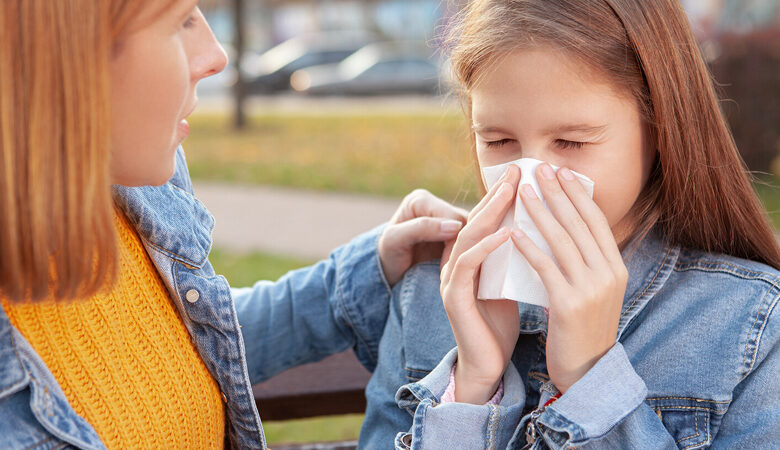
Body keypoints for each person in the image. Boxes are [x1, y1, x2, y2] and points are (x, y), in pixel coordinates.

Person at [0, 0, 467, 448]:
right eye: (181, 19)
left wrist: (368, 269)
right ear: (63, 54)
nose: (215, 55)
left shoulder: (124, 189)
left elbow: (178, 344)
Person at [358, 0, 780, 448]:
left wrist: (589, 382)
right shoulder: (424, 297)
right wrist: (472, 389)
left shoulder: (753, 328)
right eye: (498, 140)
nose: (530, 178)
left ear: (660, 128)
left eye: (571, 142)